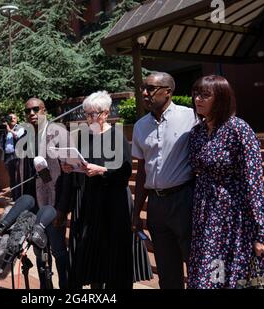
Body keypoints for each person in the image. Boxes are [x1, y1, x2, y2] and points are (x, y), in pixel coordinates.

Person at [187, 75, 264, 289]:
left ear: (221, 99)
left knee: (237, 277)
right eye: (196, 94)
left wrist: (262, 232)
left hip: (235, 218)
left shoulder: (239, 130)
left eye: (205, 95)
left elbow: (254, 183)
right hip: (206, 216)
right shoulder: (196, 133)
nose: (198, 99)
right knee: (212, 275)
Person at [62, 91, 152, 289]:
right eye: (86, 114)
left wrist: (102, 171)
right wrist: (70, 167)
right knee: (94, 257)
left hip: (114, 203)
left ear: (106, 113)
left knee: (115, 257)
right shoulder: (84, 137)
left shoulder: (117, 135)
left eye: (94, 114)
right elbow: (83, 164)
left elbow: (125, 171)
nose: (89, 118)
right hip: (92, 201)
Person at [131, 72, 197, 289]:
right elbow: (142, 171)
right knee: (167, 273)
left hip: (185, 201)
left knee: (196, 265)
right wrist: (136, 211)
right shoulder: (140, 125)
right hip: (157, 205)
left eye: (150, 88)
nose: (144, 93)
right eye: (143, 88)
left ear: (167, 92)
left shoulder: (191, 117)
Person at [16, 98, 71, 289]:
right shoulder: (25, 138)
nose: (31, 113)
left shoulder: (59, 132)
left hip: (53, 206)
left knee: (58, 252)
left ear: (44, 111)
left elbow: (68, 173)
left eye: (35, 109)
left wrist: (63, 209)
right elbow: (22, 174)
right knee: (39, 254)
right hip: (34, 207)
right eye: (27, 111)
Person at [0, 113, 24, 201]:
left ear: (17, 119)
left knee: (18, 177)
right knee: (12, 178)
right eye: (10, 118)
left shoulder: (20, 128)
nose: (13, 119)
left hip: (16, 156)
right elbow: (1, 143)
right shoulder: (5, 130)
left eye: (14, 118)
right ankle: (14, 197)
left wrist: (10, 130)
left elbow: (19, 136)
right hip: (8, 156)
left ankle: (19, 197)